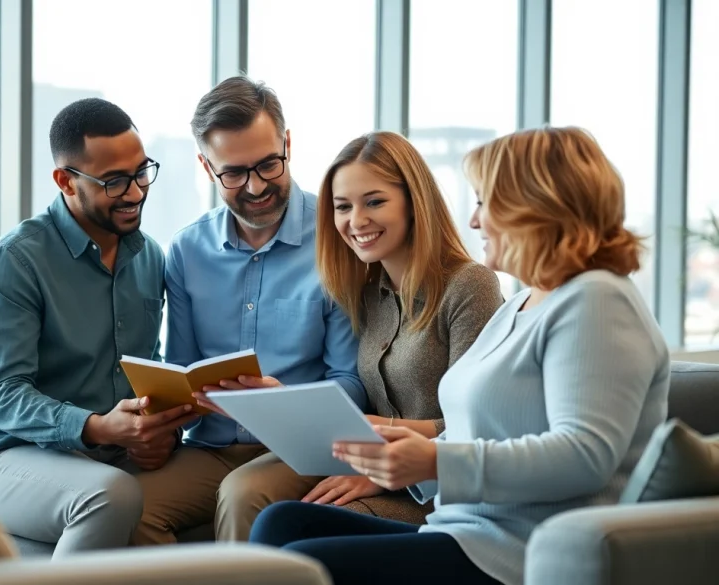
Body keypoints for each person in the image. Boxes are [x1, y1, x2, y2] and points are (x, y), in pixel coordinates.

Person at [249, 126, 671, 585]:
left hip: (513, 551)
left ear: (537, 207)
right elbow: (476, 431)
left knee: (300, 562)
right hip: (462, 529)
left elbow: (585, 456)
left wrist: (433, 461)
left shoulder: (597, 301)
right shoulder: (524, 304)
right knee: (282, 523)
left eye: (484, 203)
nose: (474, 221)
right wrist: (402, 454)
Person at [0, 98, 197, 558]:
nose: (137, 192)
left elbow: (147, 368)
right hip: (0, 456)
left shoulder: (150, 257)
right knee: (112, 495)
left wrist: (160, 432)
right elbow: (3, 394)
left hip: (104, 454)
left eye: (142, 172)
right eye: (115, 181)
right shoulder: (17, 260)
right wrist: (100, 428)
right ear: (65, 181)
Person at [131, 76, 365, 545]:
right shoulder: (187, 250)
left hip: (300, 449)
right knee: (127, 504)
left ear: (288, 144)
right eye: (234, 173)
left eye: (268, 165)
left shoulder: (338, 238)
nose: (256, 187)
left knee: (243, 494)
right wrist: (167, 409)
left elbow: (354, 385)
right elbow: (182, 369)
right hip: (211, 447)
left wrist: (286, 404)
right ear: (206, 166)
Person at [300, 131, 503, 523]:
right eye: (343, 207)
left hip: (442, 491)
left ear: (414, 203)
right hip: (383, 475)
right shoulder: (367, 293)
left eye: (374, 202)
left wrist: (387, 440)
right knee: (280, 513)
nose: (356, 221)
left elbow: (481, 423)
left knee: (294, 524)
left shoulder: (469, 286)